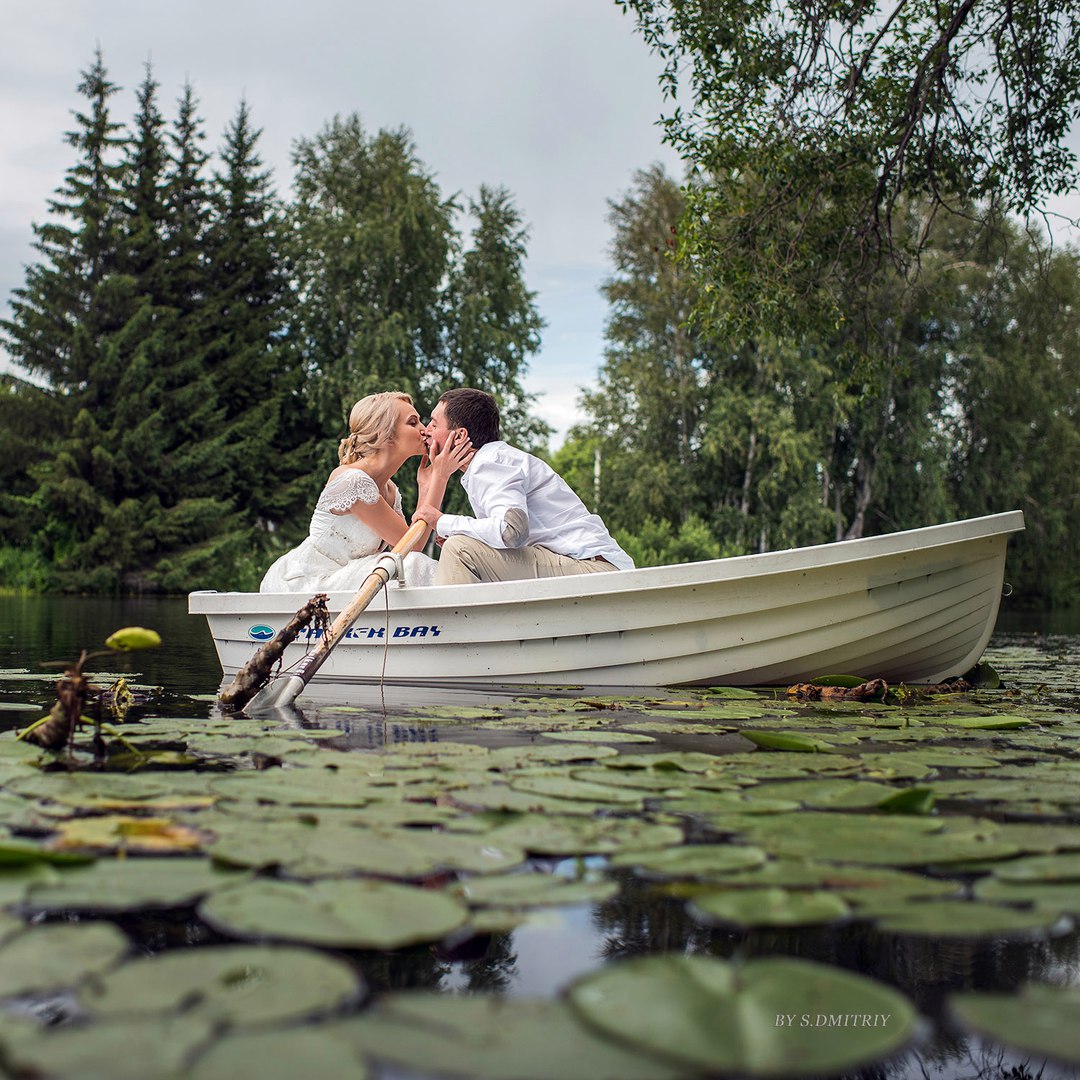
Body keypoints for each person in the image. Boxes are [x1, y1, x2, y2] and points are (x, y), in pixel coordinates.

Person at [412, 388, 633, 585]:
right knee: (461, 544)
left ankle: (445, 630)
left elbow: (511, 531)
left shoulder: (489, 463)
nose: (427, 430)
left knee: (459, 549)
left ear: (459, 436)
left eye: (433, 423)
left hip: (593, 569)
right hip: (589, 565)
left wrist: (442, 521)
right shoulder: (494, 460)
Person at [260, 391, 472, 593]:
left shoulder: (390, 491)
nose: (424, 429)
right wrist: (440, 477)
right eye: (412, 422)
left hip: (348, 578)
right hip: (312, 582)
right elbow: (412, 548)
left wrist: (426, 485)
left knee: (410, 564)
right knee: (413, 565)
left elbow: (411, 543)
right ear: (385, 433)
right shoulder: (353, 481)